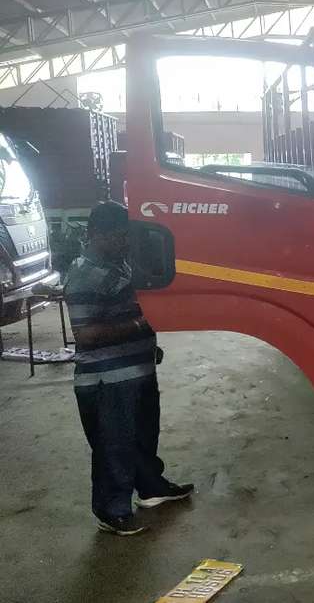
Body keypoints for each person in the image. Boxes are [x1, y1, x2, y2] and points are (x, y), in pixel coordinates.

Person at [64, 201, 192, 536]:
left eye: (127, 236)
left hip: (136, 370)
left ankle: (150, 487)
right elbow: (86, 335)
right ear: (96, 234)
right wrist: (142, 325)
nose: (125, 242)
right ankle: (112, 511)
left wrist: (148, 345)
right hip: (107, 380)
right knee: (113, 446)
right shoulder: (84, 275)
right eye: (118, 237)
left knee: (143, 436)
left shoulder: (119, 264)